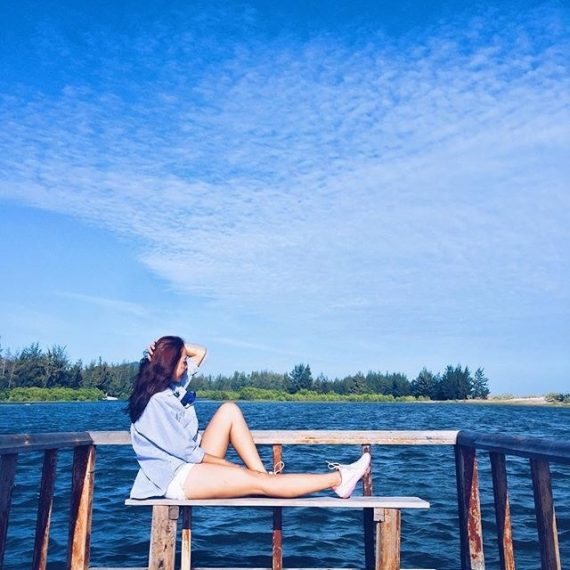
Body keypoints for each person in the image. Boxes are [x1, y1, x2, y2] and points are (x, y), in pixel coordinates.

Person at [127, 335, 370, 501]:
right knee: (260, 483)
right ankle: (339, 479)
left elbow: (201, 352)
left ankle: (261, 475)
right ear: (168, 367)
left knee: (229, 410)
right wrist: (233, 467)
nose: (186, 365)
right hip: (176, 476)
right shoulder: (157, 401)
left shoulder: (171, 385)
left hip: (188, 463)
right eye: (182, 362)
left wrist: (165, 347)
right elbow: (188, 453)